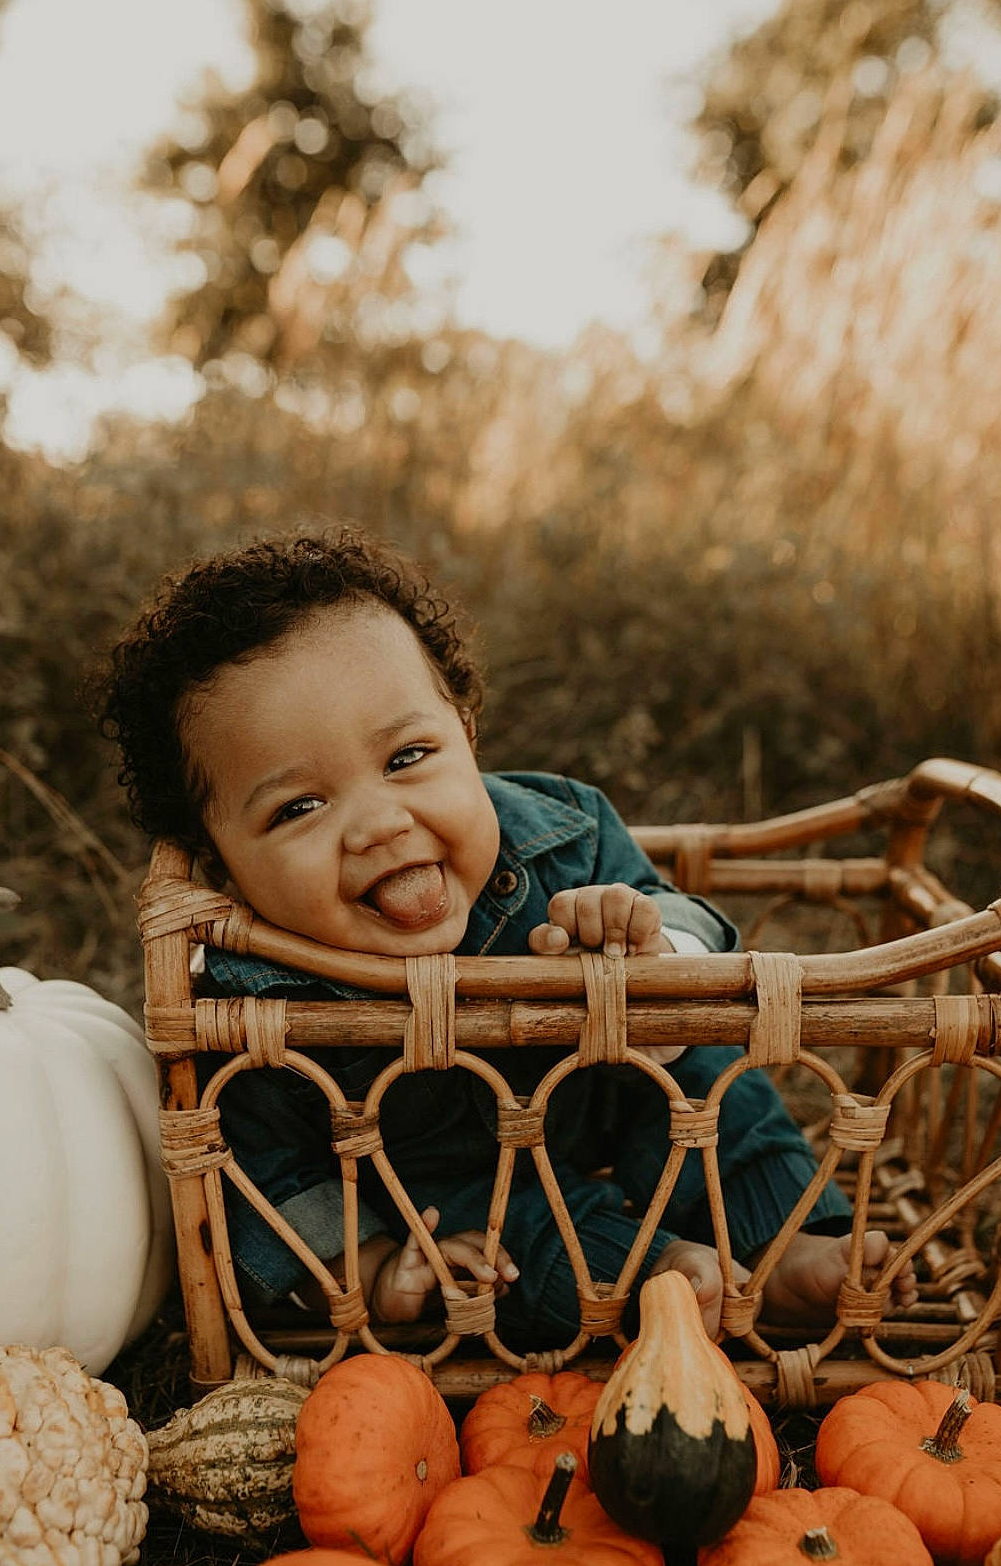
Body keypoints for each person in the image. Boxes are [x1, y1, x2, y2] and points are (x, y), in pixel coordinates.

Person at [101, 528, 916, 1345]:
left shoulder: (562, 837)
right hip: (429, 1181)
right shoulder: (247, 996)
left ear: (467, 731)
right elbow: (263, 1177)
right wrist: (373, 1263)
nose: (381, 823)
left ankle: (789, 1241)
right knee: (494, 1252)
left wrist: (656, 952)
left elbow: (694, 921)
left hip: (611, 1088)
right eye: (300, 808)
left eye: (409, 755)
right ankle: (653, 1283)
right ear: (221, 865)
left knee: (710, 1077)